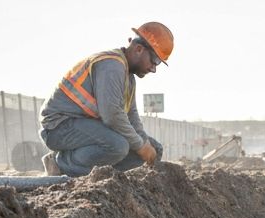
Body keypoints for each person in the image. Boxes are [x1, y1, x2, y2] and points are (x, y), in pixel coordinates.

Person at [39, 21, 173, 177]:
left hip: (84, 126)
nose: (154, 69)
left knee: (153, 148)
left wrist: (145, 143)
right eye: (155, 61)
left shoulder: (128, 78)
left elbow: (131, 115)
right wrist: (140, 145)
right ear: (138, 49)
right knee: (118, 146)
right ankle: (61, 163)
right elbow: (112, 115)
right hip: (58, 127)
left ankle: (100, 173)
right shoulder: (112, 66)